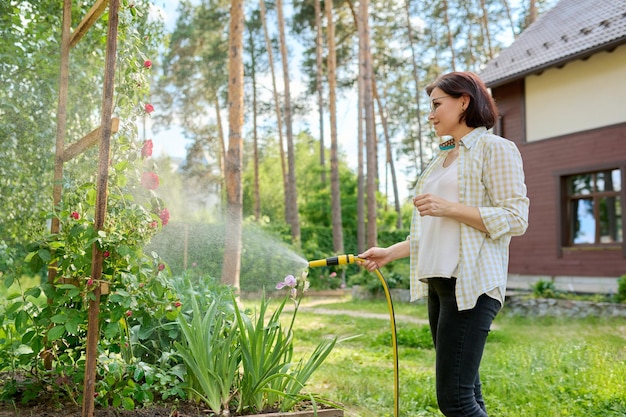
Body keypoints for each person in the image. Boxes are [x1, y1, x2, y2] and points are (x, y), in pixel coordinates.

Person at [359, 71, 529, 417]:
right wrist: (390, 252)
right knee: (467, 393)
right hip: (439, 285)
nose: (430, 114)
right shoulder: (443, 159)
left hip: (471, 286)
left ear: (464, 101)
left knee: (455, 400)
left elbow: (515, 218)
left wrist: (448, 207)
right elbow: (435, 231)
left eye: (437, 104)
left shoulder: (495, 149)